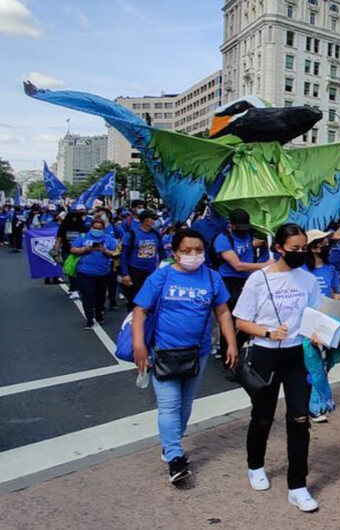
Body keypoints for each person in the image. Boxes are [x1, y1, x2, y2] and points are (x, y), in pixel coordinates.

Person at [132, 229, 238, 484]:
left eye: (198, 250)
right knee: (169, 405)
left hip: (197, 353)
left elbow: (223, 312)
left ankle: (170, 443)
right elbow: (140, 311)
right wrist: (139, 345)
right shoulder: (162, 277)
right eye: (186, 251)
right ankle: (176, 458)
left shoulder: (212, 278)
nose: (193, 255)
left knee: (186, 403)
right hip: (164, 352)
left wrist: (231, 344)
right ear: (174, 252)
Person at [233, 223, 323, 513]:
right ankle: (255, 465)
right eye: (294, 248)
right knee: (263, 417)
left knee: (299, 419)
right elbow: (241, 321)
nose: (299, 253)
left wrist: (318, 334)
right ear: (279, 248)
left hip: (297, 357)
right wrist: (268, 333)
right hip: (265, 355)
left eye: (303, 248)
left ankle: (297, 485)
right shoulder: (259, 280)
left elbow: (315, 317)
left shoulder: (308, 280)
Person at [214, 209, 272, 359]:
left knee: (251, 319)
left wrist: (263, 243)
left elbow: (249, 245)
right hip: (229, 282)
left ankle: (236, 348)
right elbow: (237, 265)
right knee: (231, 321)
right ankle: (228, 357)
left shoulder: (247, 234)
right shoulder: (223, 239)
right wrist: (264, 265)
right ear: (231, 225)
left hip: (246, 281)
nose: (243, 231)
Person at [71, 216, 121, 329]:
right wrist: (85, 249)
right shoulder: (83, 237)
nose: (97, 230)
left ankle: (99, 314)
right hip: (85, 272)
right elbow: (73, 250)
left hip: (102, 273)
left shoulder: (109, 239)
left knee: (100, 296)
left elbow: (115, 254)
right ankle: (89, 318)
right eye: (95, 228)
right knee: (87, 295)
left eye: (99, 228)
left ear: (103, 229)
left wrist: (105, 251)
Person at [120, 210, 165, 311]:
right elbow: (123, 256)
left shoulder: (156, 234)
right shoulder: (132, 234)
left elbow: (162, 253)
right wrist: (125, 274)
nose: (155, 221)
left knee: (150, 298)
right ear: (145, 220)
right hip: (135, 271)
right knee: (134, 299)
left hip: (151, 271)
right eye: (152, 219)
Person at [304, 229, 340, 298]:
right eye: (324, 243)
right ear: (313, 248)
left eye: (328, 243)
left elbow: (335, 294)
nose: (328, 246)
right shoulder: (301, 270)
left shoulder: (331, 270)